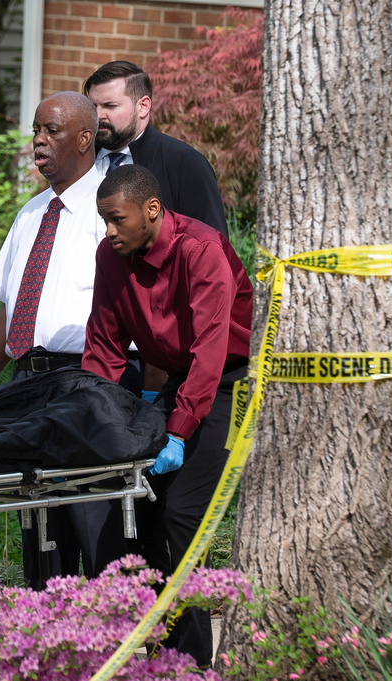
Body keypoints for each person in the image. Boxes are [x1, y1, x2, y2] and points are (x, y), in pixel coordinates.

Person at [81, 164, 253, 669]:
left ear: (151, 211)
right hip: (182, 380)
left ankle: (193, 662)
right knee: (142, 511)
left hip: (231, 378)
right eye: (104, 220)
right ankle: (154, 655)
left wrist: (177, 431)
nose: (108, 232)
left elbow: (211, 351)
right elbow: (105, 347)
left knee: (181, 514)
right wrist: (94, 418)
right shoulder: (111, 257)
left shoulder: (202, 249)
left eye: (116, 220)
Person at [0, 91, 131, 587]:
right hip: (27, 385)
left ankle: (113, 640)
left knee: (91, 517)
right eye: (36, 130)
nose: (38, 141)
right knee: (38, 523)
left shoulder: (112, 211)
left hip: (87, 380)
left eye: (51, 131)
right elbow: (10, 312)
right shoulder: (30, 215)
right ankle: (47, 641)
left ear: (85, 138)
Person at [83, 60, 228, 237]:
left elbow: (211, 248)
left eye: (110, 106)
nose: (98, 115)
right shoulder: (77, 159)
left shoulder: (184, 165)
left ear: (143, 106)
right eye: (93, 106)